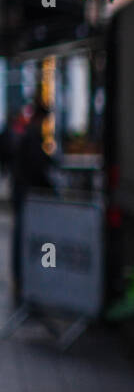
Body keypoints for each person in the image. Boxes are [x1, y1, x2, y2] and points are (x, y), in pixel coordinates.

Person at [11, 101, 53, 305]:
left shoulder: (28, 134)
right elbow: (36, 165)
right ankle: (23, 278)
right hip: (26, 194)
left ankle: (20, 278)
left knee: (22, 234)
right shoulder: (32, 135)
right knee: (24, 234)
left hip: (22, 191)